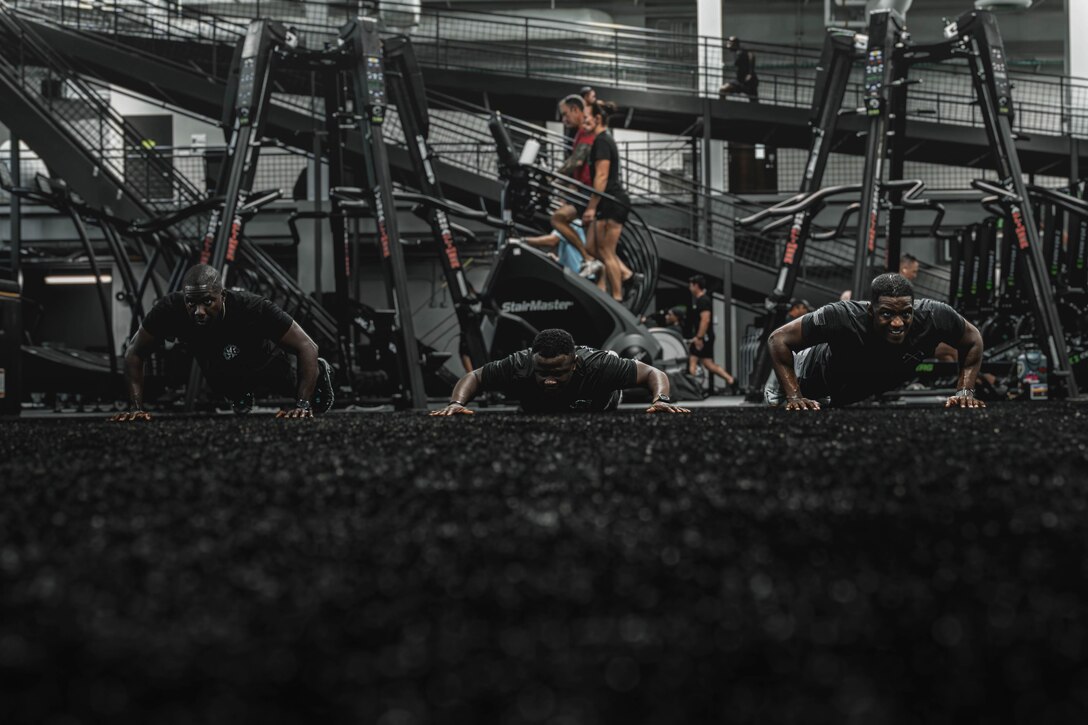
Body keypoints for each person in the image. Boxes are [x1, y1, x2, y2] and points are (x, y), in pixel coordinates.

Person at [112, 264, 334, 420]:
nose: (198, 311)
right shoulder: (169, 309)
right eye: (192, 303)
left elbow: (307, 346)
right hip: (217, 363)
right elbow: (135, 352)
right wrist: (136, 408)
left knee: (291, 387)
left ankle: (319, 372)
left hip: (262, 360)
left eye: (207, 302)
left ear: (223, 296)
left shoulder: (254, 307)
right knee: (219, 379)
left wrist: (303, 405)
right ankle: (240, 392)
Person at [764, 273, 986, 410]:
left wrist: (965, 391)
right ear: (871, 311)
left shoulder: (936, 316)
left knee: (834, 405)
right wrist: (794, 395)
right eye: (887, 314)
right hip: (807, 373)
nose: (898, 323)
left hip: (848, 390)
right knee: (785, 410)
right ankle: (780, 382)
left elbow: (973, 339)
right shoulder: (842, 316)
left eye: (906, 314)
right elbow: (778, 339)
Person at [431, 328, 690, 415]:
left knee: (612, 389)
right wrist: (456, 402)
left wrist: (661, 399)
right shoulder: (520, 363)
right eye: (542, 372)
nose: (550, 380)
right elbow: (475, 376)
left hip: (599, 400)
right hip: (542, 406)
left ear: (574, 364)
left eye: (558, 372)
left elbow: (654, 374)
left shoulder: (598, 366)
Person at [583, 100, 635, 301]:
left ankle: (618, 297)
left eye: (587, 116)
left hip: (612, 200)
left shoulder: (603, 141)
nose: (584, 120)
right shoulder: (601, 140)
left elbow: (602, 176)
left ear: (597, 118)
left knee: (606, 251)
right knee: (590, 247)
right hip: (608, 201)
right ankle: (626, 275)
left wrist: (591, 207)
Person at [552, 94, 599, 275]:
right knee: (599, 249)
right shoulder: (579, 134)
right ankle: (590, 259)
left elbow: (576, 161)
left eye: (565, 115)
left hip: (589, 193)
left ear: (575, 110)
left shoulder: (587, 131)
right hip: (582, 191)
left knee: (558, 218)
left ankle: (587, 257)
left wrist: (553, 176)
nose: (564, 120)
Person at [687, 275, 737, 393]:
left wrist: (699, 337)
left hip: (704, 337)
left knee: (693, 359)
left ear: (696, 285)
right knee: (708, 364)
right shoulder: (701, 299)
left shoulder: (703, 300)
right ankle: (731, 380)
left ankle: (694, 389)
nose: (689, 288)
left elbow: (706, 320)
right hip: (704, 336)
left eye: (691, 285)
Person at [520, 220, 587, 275]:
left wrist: (523, 240)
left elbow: (552, 241)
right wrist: (558, 260)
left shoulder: (573, 224)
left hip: (573, 275)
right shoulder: (583, 226)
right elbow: (576, 255)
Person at [719, 37, 758, 101]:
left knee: (753, 99)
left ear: (735, 44)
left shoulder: (741, 52)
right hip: (739, 80)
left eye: (730, 44)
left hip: (748, 82)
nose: (728, 46)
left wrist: (750, 73)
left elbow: (751, 56)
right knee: (723, 89)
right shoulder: (737, 52)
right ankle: (722, 107)